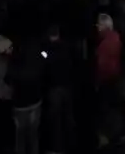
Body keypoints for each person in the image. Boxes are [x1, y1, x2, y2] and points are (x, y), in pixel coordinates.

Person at [6, 36, 46, 154]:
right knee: (33, 135)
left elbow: (8, 81)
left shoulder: (14, 65)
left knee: (20, 137)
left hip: (20, 105)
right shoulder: (37, 60)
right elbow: (45, 62)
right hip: (35, 101)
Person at [43, 25, 74, 154]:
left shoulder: (47, 50)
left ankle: (57, 148)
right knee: (68, 117)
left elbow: (44, 61)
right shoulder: (67, 47)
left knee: (56, 120)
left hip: (54, 87)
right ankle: (72, 145)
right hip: (67, 86)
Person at [95, 13, 124, 148]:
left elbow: (101, 65)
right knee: (115, 108)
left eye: (99, 24)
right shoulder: (116, 37)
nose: (97, 26)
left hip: (106, 79)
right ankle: (117, 134)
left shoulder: (104, 44)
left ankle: (106, 138)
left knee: (105, 110)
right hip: (116, 76)